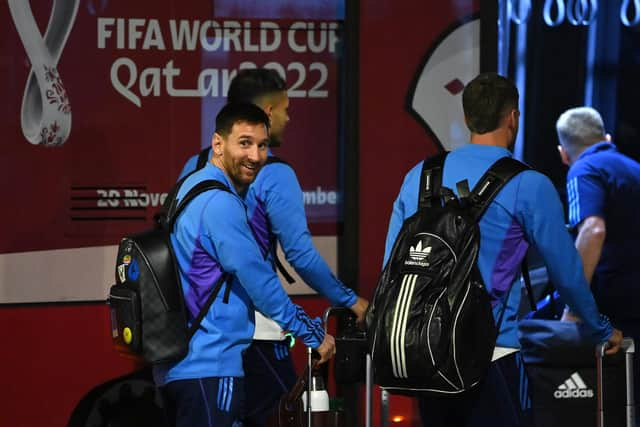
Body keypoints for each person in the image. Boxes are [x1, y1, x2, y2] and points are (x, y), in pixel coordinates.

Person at [383, 73, 623, 427]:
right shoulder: (528, 184)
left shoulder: (420, 175)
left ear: (467, 119)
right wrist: (601, 329)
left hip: (427, 356)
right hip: (493, 355)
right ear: (513, 117)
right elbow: (568, 274)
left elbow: (392, 263)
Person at [178, 68, 369, 426]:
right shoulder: (276, 173)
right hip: (258, 333)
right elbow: (300, 256)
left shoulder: (194, 168)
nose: (288, 117)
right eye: (284, 108)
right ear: (265, 114)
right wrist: (351, 301)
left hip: (193, 340)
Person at [154, 102, 336, 427]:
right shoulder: (220, 203)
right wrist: (311, 334)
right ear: (218, 143)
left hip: (177, 367)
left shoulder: (189, 188)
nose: (255, 155)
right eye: (244, 143)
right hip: (210, 368)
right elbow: (261, 283)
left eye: (262, 145)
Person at [556, 106, 640, 409]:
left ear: (564, 154)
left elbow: (592, 230)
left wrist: (574, 305)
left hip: (617, 306)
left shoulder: (584, 169)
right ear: (607, 137)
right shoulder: (632, 167)